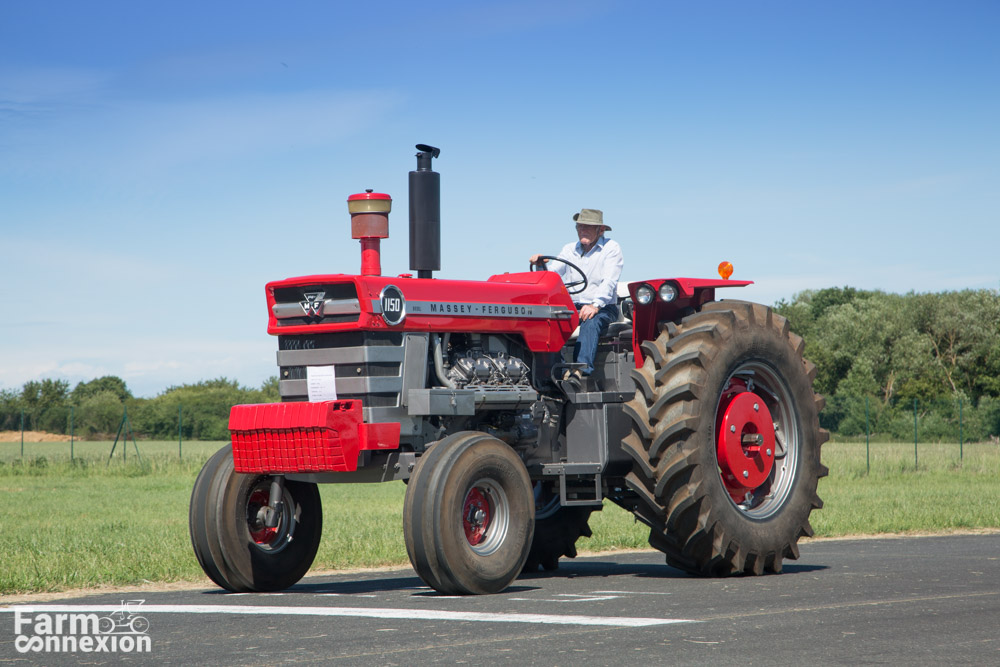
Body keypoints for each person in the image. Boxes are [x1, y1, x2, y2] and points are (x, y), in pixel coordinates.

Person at [530, 208, 624, 383]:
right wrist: (541, 265)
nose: (583, 231)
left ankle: (580, 370)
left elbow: (609, 281)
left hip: (603, 306)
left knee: (591, 321)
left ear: (600, 230)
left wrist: (595, 305)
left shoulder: (611, 248)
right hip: (574, 306)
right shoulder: (569, 249)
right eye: (580, 227)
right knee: (551, 321)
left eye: (588, 227)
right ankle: (551, 371)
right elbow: (552, 275)